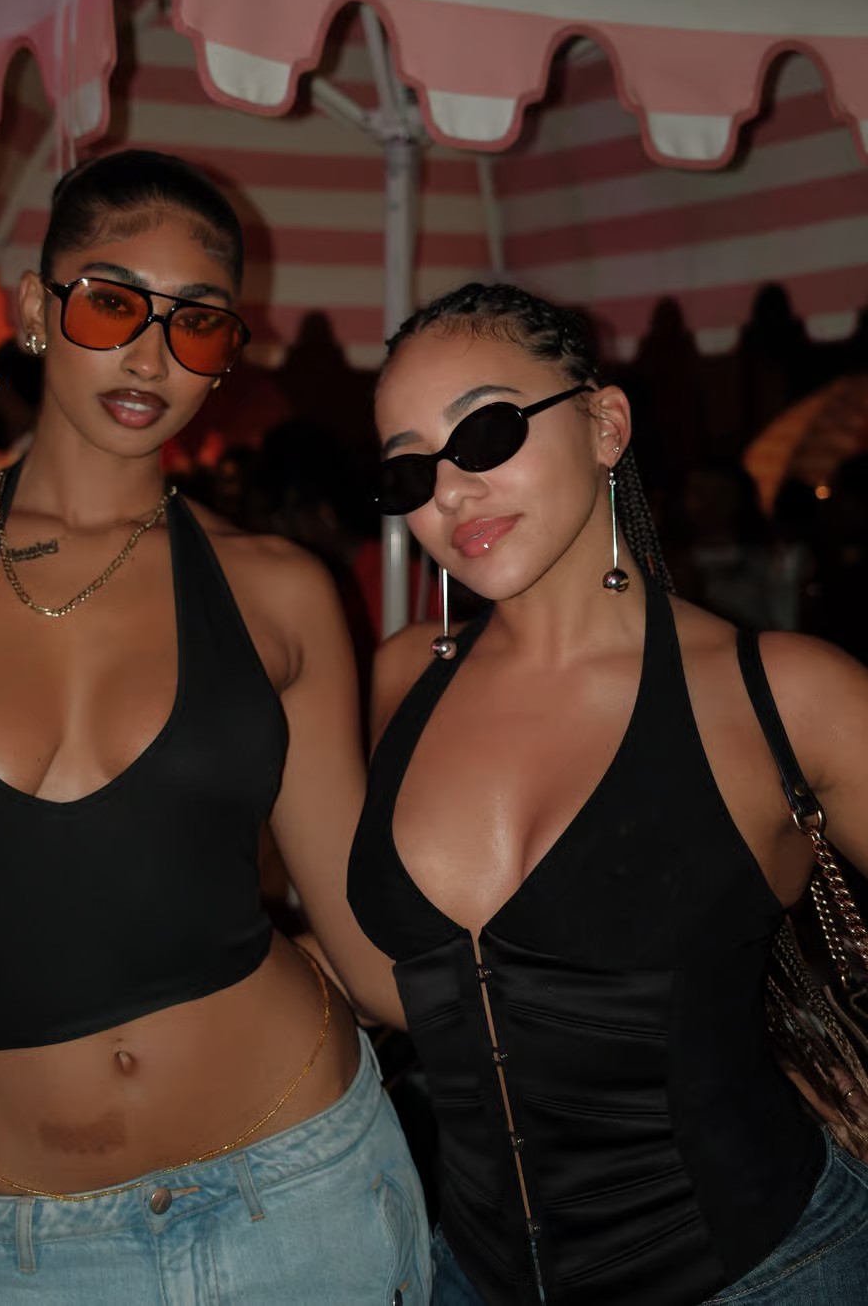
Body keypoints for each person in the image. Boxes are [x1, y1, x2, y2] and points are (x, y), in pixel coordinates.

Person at [0, 151, 429, 1306]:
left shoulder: (279, 590)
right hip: (12, 1247)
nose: (151, 356)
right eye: (112, 304)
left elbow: (374, 951)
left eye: (199, 323)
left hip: (299, 1196)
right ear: (37, 309)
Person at [349, 282, 868, 1305]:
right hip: (467, 1275)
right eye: (411, 467)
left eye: (486, 432)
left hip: (764, 1275)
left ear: (605, 424)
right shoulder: (402, 677)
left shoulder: (783, 693)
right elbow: (405, 978)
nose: (450, 491)